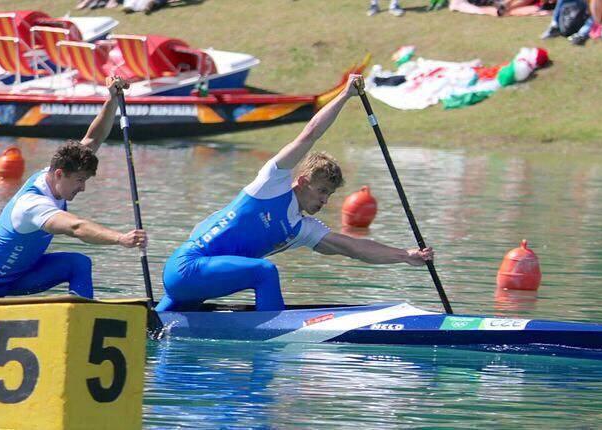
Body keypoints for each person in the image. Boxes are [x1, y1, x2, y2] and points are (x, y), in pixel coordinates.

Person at [155, 75, 434, 312]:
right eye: (322, 191)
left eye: (329, 195)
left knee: (158, 332)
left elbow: (353, 248)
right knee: (265, 272)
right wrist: (346, 94)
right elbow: (309, 134)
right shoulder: (270, 184)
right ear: (301, 181)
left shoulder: (301, 228)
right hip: (186, 267)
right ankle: (275, 333)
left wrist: (405, 256)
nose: (325, 201)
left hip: (193, 286)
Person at [0, 77, 147, 307]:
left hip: (21, 276)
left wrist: (112, 99)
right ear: (59, 174)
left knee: (78, 264)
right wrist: (121, 239)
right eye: (80, 180)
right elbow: (75, 227)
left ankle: (83, 319)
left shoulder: (58, 173)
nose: (83, 187)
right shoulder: (32, 204)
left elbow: (94, 138)